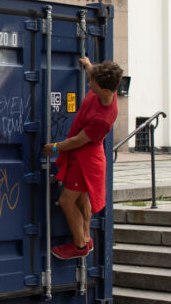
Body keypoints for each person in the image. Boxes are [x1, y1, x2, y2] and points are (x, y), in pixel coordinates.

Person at [42, 56, 123, 260]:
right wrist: (88, 65)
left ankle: (79, 246)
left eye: (92, 84)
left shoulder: (103, 119)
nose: (89, 85)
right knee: (81, 198)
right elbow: (95, 73)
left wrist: (54, 147)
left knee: (67, 201)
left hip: (85, 161)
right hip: (84, 158)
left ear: (105, 90)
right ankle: (86, 238)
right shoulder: (105, 87)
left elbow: (79, 140)